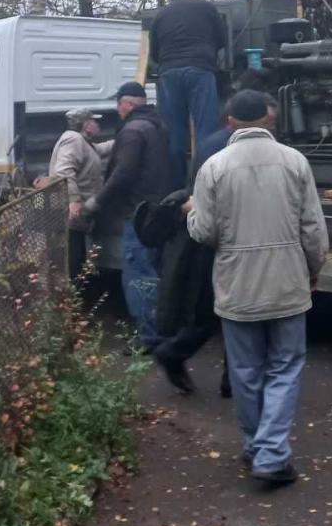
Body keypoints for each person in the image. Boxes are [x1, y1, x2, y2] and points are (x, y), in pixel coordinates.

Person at [188, 90, 328, 484]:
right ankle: (272, 454)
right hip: (287, 282)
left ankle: (256, 448)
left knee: (245, 371)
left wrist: (190, 215)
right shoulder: (295, 161)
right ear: (268, 119)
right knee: (285, 367)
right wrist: (313, 267)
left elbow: (204, 232)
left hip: (237, 285)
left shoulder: (213, 167)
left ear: (230, 121)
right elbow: (313, 228)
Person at [154, 96, 280, 398]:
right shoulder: (226, 149)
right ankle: (189, 360)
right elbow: (215, 197)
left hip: (220, 238)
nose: (271, 126)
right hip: (224, 241)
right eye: (268, 120)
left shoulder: (215, 143)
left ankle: (219, 374)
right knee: (230, 312)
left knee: (223, 312)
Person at [84, 81, 172, 351]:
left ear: (128, 104)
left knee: (138, 276)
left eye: (119, 104)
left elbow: (124, 172)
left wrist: (96, 202)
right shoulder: (157, 125)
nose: (117, 109)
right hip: (157, 211)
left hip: (138, 213)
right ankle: (159, 329)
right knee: (153, 272)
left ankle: (147, 338)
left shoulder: (133, 130)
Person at [150, 0, 228, 190]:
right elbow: (222, 39)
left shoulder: (161, 14)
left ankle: (176, 188)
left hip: (169, 73)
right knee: (206, 129)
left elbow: (154, 52)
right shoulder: (205, 7)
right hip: (200, 69)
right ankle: (205, 185)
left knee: (173, 133)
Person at [47, 108, 113, 281]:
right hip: (69, 211)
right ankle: (72, 291)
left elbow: (100, 149)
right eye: (94, 121)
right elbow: (64, 171)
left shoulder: (84, 143)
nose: (98, 124)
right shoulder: (74, 140)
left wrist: (123, 139)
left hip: (77, 213)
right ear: (86, 125)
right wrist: (74, 200)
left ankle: (76, 290)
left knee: (77, 253)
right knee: (73, 256)